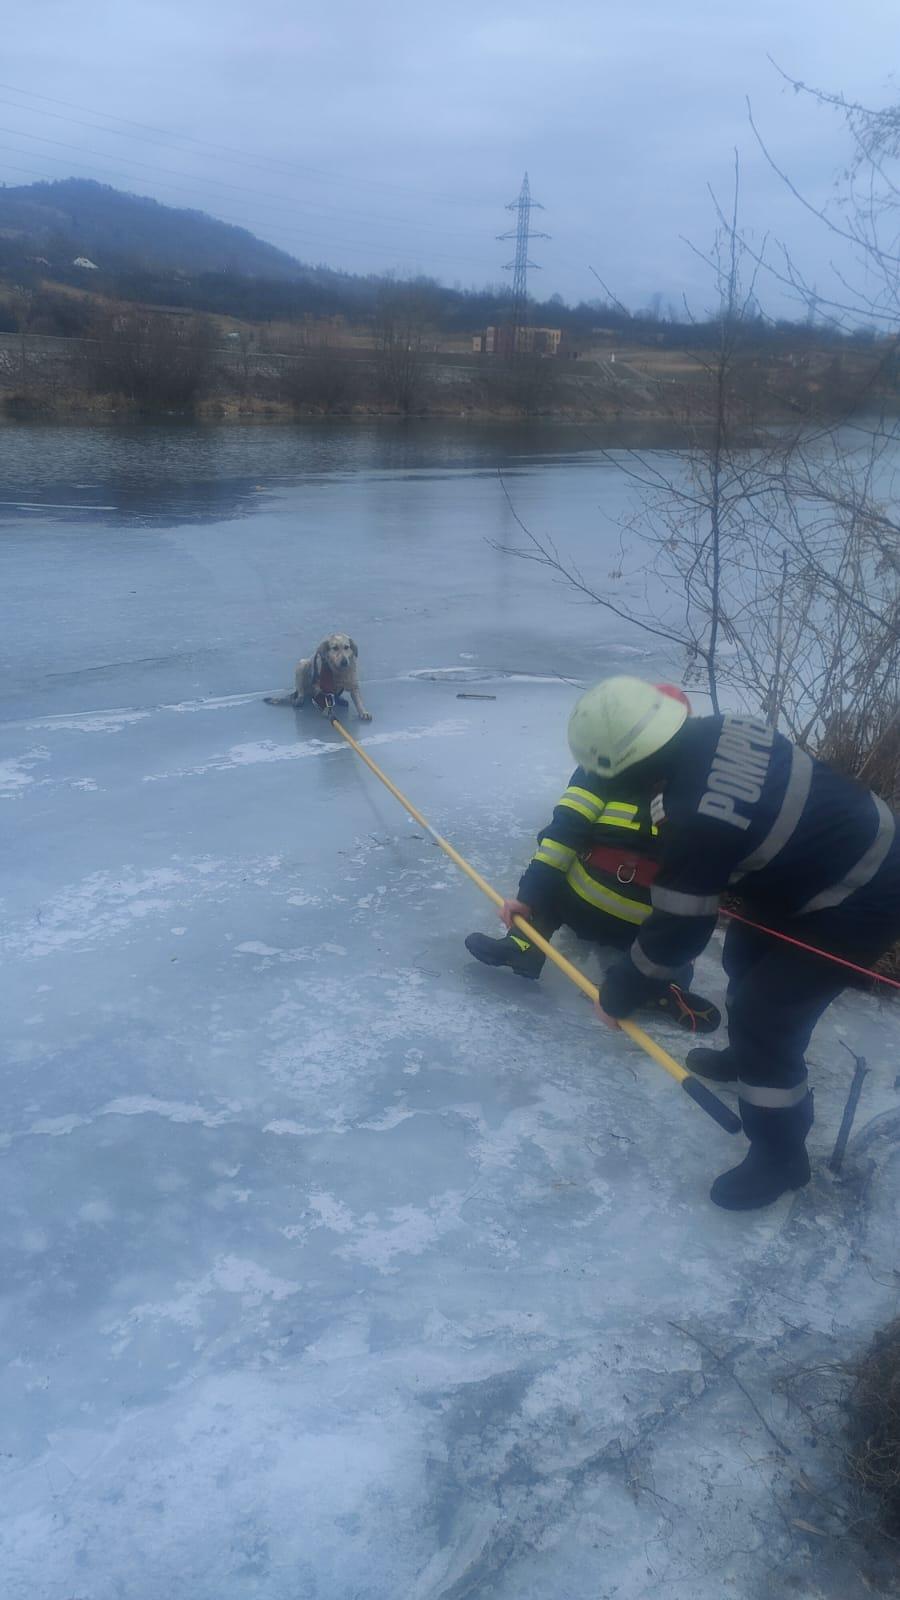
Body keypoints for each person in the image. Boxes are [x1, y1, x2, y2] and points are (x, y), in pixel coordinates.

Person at [566, 675, 900, 1210]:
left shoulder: (697, 818)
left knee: (768, 1013)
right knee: (745, 953)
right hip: (821, 864)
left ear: (632, 765)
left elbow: (677, 933)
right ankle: (746, 1061)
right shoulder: (721, 730)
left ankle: (781, 1157)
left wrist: (620, 992)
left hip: (864, 894)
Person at [465, 684, 721, 1035]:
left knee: (557, 865)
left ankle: (525, 945)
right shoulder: (705, 786)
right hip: (644, 929)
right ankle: (666, 984)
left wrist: (527, 898)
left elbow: (562, 834)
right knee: (678, 926)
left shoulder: (601, 766)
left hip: (581, 904)